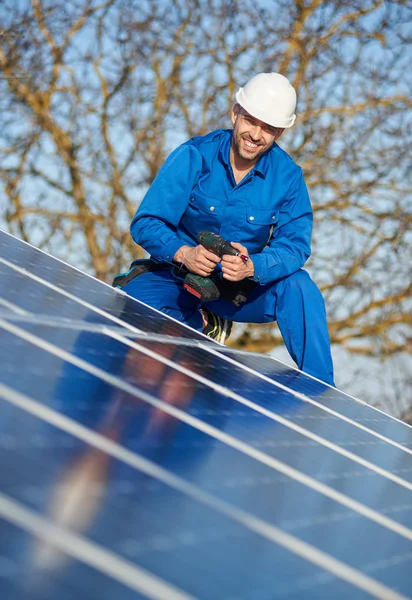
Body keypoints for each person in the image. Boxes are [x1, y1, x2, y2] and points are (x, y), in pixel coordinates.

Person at [122, 72, 335, 386]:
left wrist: (253, 267)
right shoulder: (194, 156)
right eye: (251, 120)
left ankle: (322, 393)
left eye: (269, 128)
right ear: (236, 112)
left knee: (299, 287)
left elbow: (296, 245)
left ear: (280, 131)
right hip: (180, 278)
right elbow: (146, 222)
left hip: (239, 292)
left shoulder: (288, 177)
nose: (256, 134)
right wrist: (184, 253)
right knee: (133, 299)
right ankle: (203, 326)